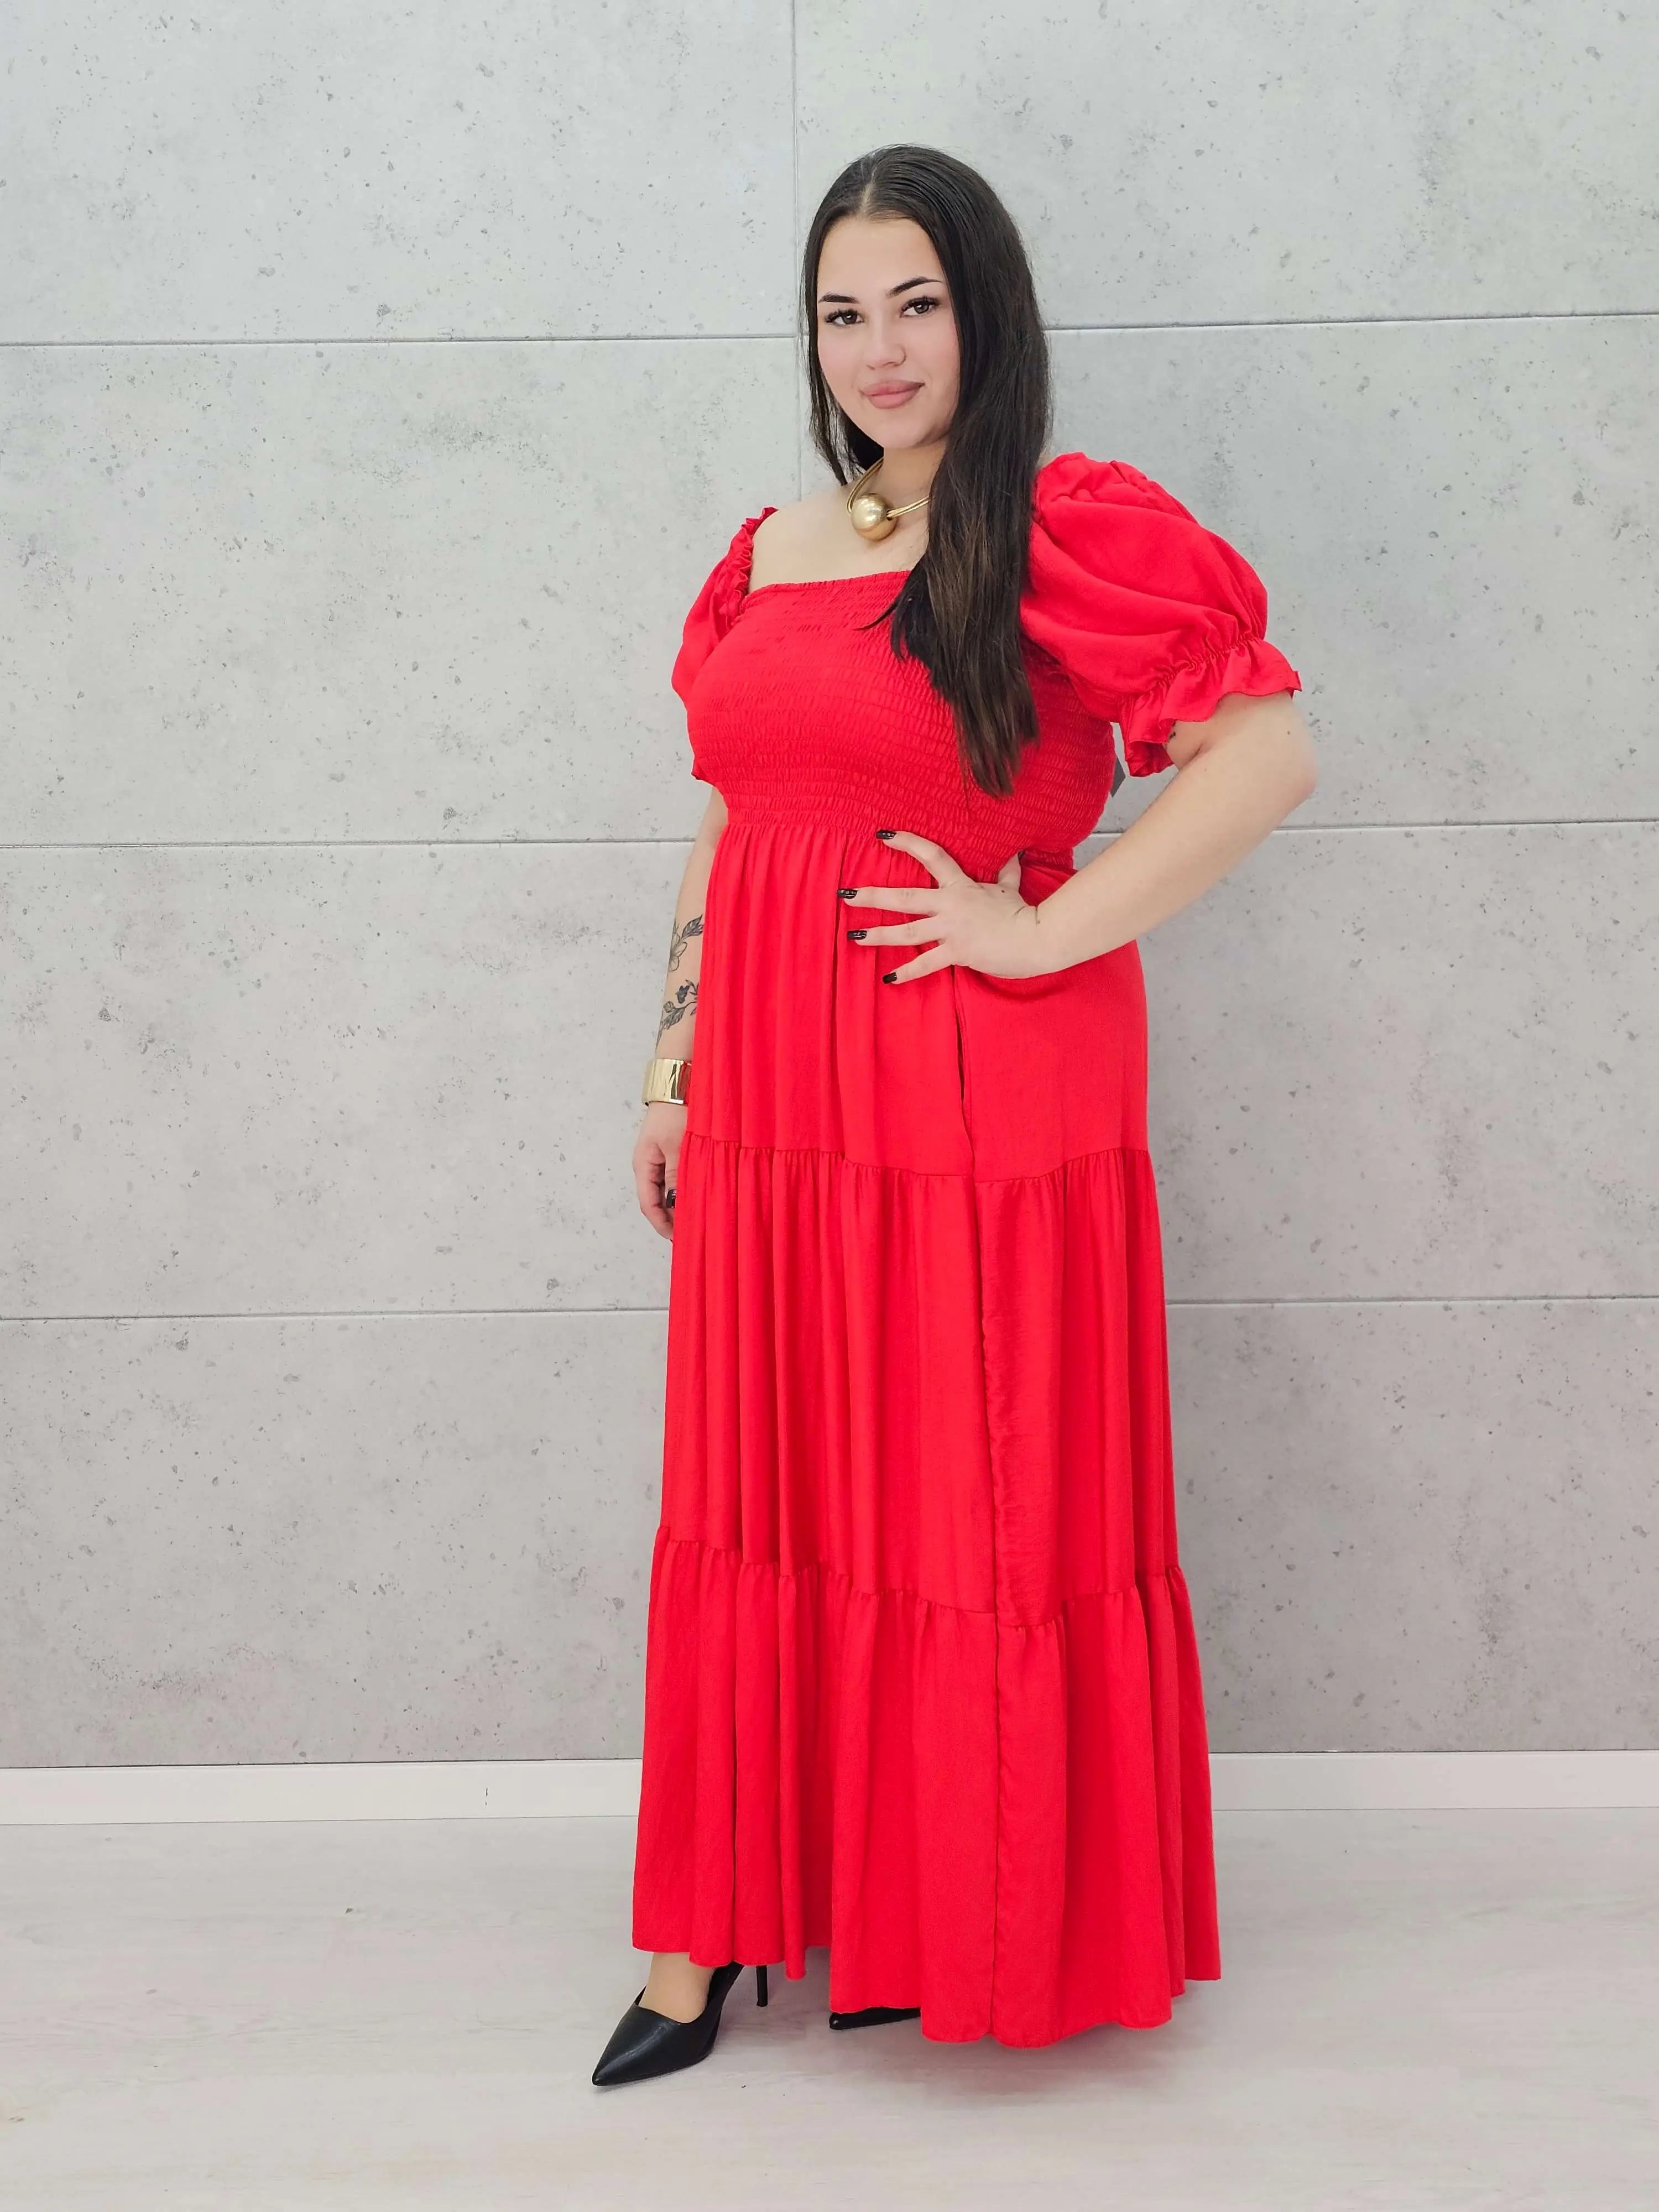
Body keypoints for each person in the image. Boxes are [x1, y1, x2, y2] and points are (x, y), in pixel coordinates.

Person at [593, 142, 1317, 2086]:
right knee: (771, 1494)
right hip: (771, 1107)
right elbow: (733, 818)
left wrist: (1039, 931)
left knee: (961, 1505)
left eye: (917, 302)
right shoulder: (768, 550)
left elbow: (1265, 753)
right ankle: (706, 1937)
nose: (881, 348)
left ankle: (956, 1919)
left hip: (979, 1094)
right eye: (844, 312)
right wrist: (671, 1069)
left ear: (986, 311)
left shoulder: (1067, 530)